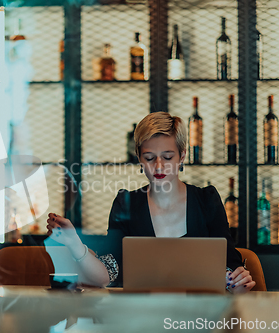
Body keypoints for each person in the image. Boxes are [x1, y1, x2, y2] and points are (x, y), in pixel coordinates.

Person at [46, 112, 255, 293]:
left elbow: (230, 268)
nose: (158, 166)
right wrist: (74, 242)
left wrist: (238, 282)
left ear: (182, 156)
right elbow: (105, 275)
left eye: (167, 156)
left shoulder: (207, 200)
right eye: (149, 157)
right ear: (138, 157)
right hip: (141, 318)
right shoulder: (125, 203)